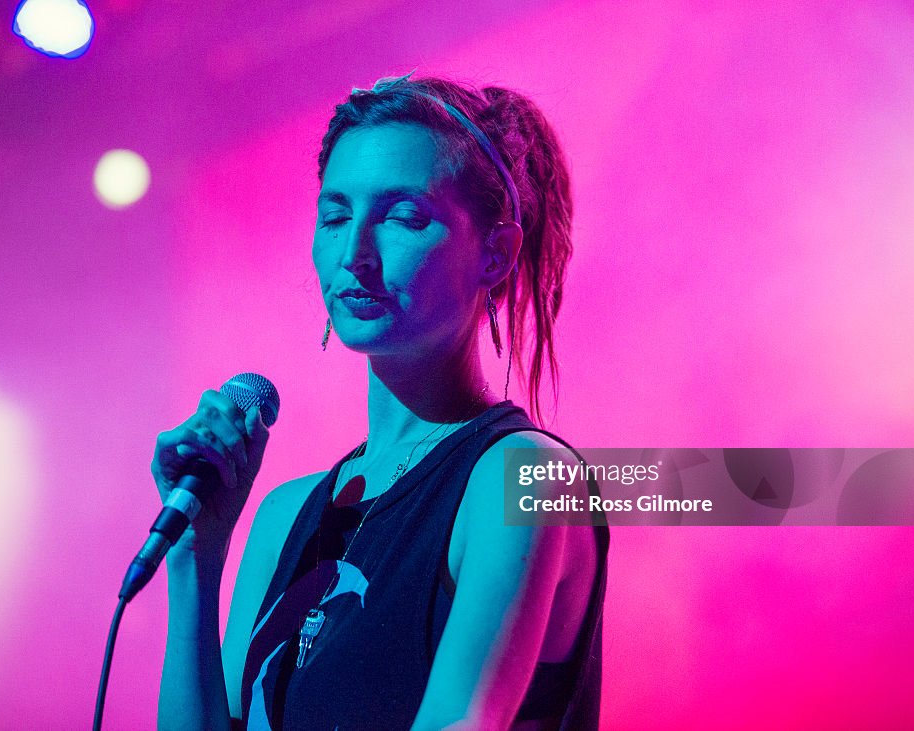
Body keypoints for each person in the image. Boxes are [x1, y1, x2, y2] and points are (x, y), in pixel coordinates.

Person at [154, 72, 608, 731]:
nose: (355, 255)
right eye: (335, 216)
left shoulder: (525, 479)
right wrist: (196, 556)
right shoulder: (284, 515)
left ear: (496, 252)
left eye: (403, 216)